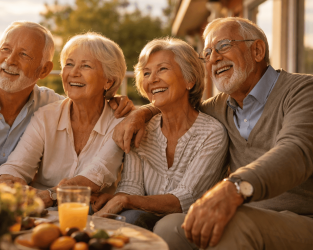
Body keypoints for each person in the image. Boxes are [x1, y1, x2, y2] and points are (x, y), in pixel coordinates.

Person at [113, 17, 313, 250]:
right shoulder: (219, 107)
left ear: (257, 50)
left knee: (232, 224)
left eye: (224, 46)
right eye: (207, 53)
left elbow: (296, 152)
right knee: (172, 227)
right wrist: (140, 114)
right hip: (247, 214)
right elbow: (178, 104)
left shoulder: (303, 91)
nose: (214, 58)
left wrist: (235, 187)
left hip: (303, 219)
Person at [0, 21, 132, 206]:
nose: (9, 61)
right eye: (5, 50)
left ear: (44, 70)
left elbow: (88, 103)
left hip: (13, 205)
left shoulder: (51, 106)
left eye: (23, 54)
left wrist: (139, 111)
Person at [93, 38, 228, 231]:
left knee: (131, 221)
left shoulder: (212, 133)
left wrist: (125, 200)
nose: (152, 79)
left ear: (190, 79)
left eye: (162, 69)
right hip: (142, 218)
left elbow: (185, 199)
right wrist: (117, 199)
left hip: (194, 226)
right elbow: (131, 188)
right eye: (146, 73)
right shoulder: (141, 127)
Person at [0, 32, 127, 208]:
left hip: (89, 213)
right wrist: (6, 180)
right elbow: (17, 164)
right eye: (69, 64)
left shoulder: (119, 122)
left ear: (108, 80)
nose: (74, 73)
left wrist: (49, 196)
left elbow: (96, 175)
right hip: (40, 211)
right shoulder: (46, 116)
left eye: (85, 66)